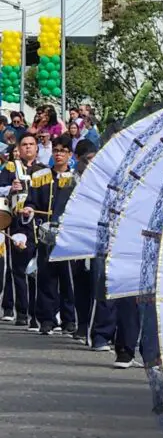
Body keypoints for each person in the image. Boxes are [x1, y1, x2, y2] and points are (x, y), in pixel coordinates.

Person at [22, 133, 77, 335]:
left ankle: (69, 319)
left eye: (63, 151)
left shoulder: (75, 179)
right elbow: (31, 201)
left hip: (68, 236)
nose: (59, 154)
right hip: (45, 234)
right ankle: (47, 319)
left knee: (68, 279)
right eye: (56, 151)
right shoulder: (40, 176)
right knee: (46, 277)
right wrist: (28, 208)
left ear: (70, 154)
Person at [0, 132, 44, 326]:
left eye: (31, 144)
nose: (28, 147)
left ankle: (38, 314)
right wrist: (10, 188)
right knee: (17, 269)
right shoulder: (11, 167)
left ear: (37, 148)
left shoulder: (44, 171)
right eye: (24, 144)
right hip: (17, 221)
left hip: (37, 223)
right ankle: (21, 311)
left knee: (38, 270)